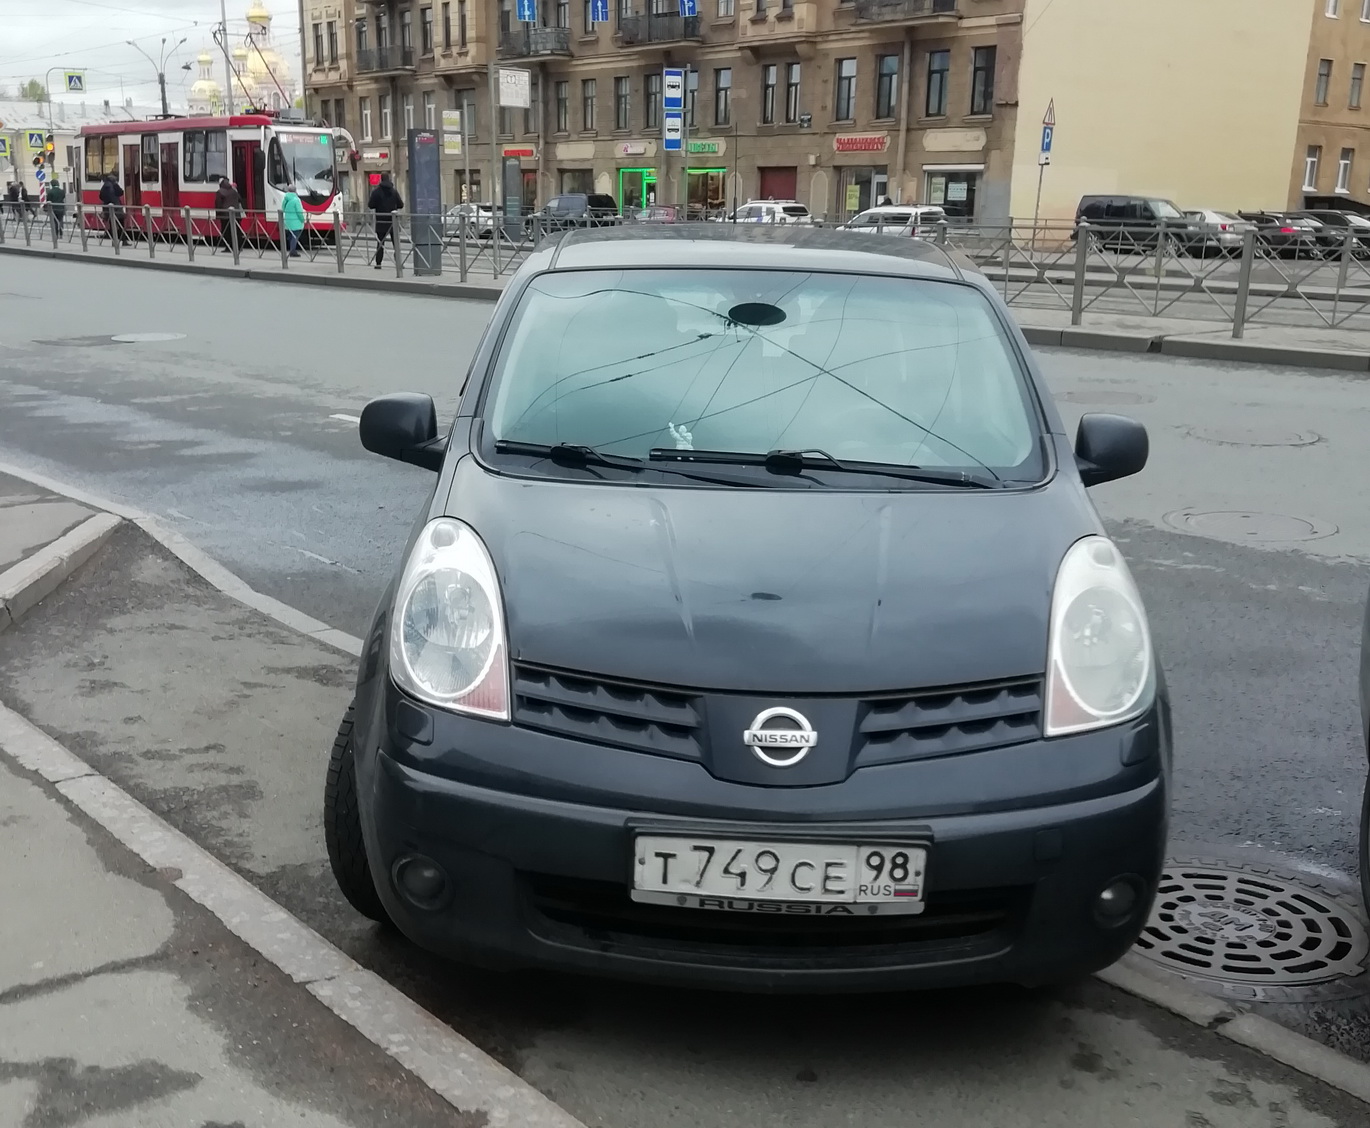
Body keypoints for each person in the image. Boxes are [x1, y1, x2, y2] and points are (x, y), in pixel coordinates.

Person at [368, 172, 403, 269]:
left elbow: (370, 205)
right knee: (396, 243)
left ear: (381, 179)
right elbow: (401, 205)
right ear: (389, 179)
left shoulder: (376, 192)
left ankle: (378, 263)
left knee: (380, 243)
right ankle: (399, 263)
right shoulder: (394, 191)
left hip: (381, 221)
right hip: (393, 221)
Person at [213, 177, 241, 254]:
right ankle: (238, 247)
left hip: (225, 215)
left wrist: (218, 214)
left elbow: (218, 204)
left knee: (226, 232)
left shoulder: (220, 192)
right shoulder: (233, 191)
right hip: (236, 214)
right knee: (236, 231)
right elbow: (240, 199)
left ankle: (228, 247)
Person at [98, 173, 127, 245]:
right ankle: (124, 241)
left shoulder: (104, 186)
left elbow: (101, 196)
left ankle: (114, 241)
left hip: (108, 208)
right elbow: (120, 192)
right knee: (121, 224)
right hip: (116, 208)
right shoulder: (114, 185)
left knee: (112, 225)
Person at [281, 184, 306, 257]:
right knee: (295, 237)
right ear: (295, 191)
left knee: (291, 237)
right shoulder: (296, 200)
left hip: (288, 221)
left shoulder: (286, 199)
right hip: (296, 222)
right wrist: (302, 220)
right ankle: (293, 251)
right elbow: (299, 212)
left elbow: (283, 208)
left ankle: (292, 250)